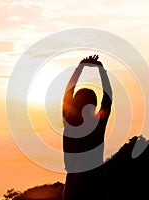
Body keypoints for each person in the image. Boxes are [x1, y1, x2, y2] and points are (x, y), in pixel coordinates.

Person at [62, 55, 112, 200]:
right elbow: (108, 97)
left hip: (76, 182)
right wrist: (101, 71)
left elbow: (68, 93)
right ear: (94, 104)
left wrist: (80, 68)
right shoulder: (97, 123)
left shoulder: (70, 122)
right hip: (96, 181)